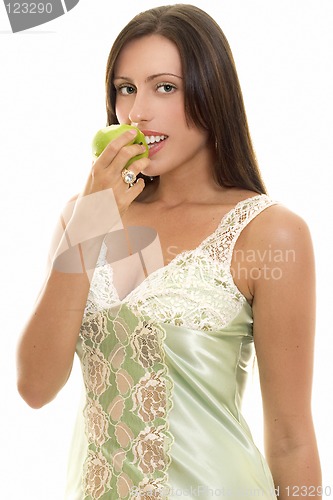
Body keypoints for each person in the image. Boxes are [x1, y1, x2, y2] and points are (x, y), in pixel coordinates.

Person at [17, 4, 322, 499]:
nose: (138, 112)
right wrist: (91, 219)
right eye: (125, 88)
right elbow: (35, 385)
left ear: (213, 93)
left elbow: (290, 438)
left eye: (165, 87)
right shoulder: (84, 216)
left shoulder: (271, 232)